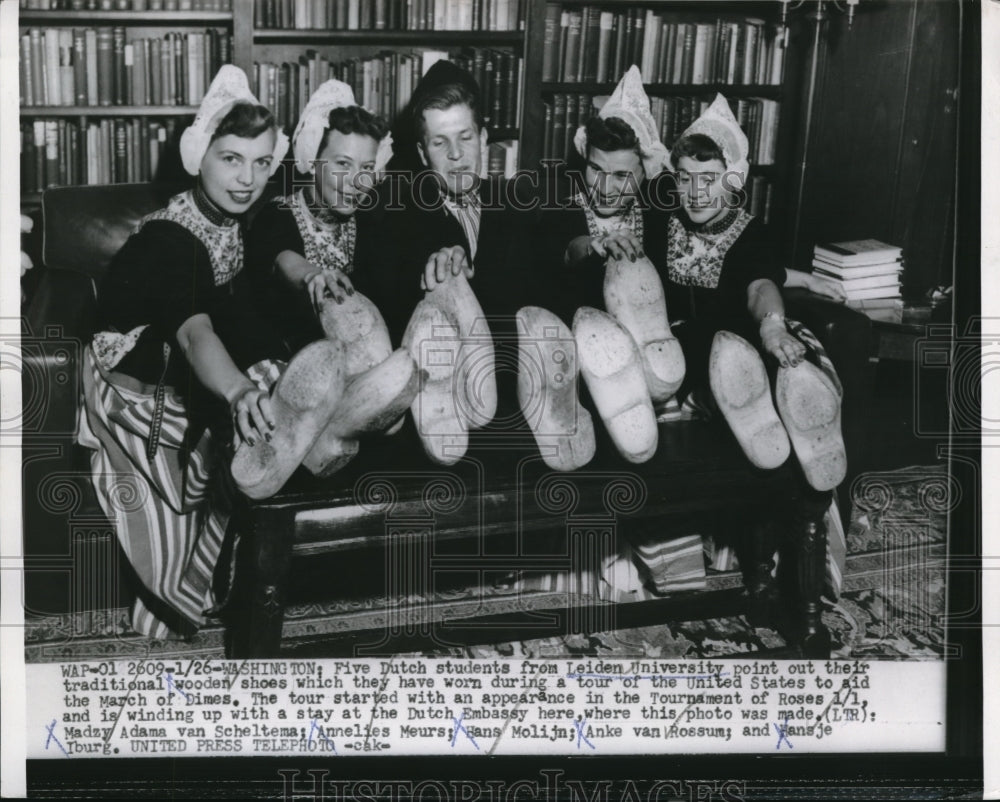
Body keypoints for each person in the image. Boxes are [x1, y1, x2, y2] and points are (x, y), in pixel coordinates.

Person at [77, 66, 290, 639]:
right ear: (200, 157)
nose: (248, 179)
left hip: (184, 367)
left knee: (268, 359)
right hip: (131, 386)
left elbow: (238, 315)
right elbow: (195, 333)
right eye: (231, 158)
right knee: (240, 414)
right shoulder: (172, 238)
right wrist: (244, 387)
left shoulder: (235, 219)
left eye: (262, 162)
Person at [662, 93, 846, 491]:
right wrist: (804, 277)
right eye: (684, 177)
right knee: (705, 354)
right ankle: (740, 413)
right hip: (688, 347)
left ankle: (806, 424)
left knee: (782, 353)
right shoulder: (665, 222)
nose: (695, 192)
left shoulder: (750, 231)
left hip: (739, 338)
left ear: (733, 180)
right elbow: (772, 271)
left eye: (708, 179)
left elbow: (759, 281)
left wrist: (773, 326)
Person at [246, 79, 393, 355]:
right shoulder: (276, 216)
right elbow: (282, 258)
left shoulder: (371, 224)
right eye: (343, 164)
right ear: (313, 161)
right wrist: (313, 275)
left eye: (368, 168)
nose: (357, 181)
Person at [532, 65, 673, 323]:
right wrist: (596, 246)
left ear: (646, 172)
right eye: (596, 169)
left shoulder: (659, 220)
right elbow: (570, 249)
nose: (604, 188)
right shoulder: (560, 213)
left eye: (621, 175)